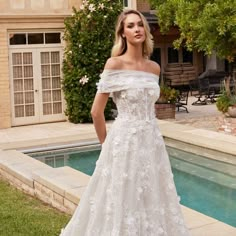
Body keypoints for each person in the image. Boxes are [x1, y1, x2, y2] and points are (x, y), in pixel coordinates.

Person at [60, 9, 190, 236]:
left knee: (152, 193)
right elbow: (95, 112)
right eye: (130, 26)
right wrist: (107, 146)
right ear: (122, 33)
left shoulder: (154, 68)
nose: (137, 29)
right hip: (124, 141)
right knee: (123, 197)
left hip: (152, 140)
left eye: (140, 24)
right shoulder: (114, 65)